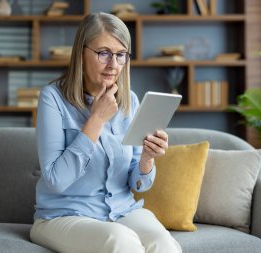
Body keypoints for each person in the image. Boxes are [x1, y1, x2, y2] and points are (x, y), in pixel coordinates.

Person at [30, 12, 182, 253]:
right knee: (120, 240)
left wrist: (147, 159)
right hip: (63, 216)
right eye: (104, 53)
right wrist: (96, 119)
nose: (113, 65)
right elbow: (56, 181)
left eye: (121, 55)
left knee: (163, 242)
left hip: (122, 210)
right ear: (81, 52)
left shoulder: (129, 101)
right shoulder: (53, 98)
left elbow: (138, 184)